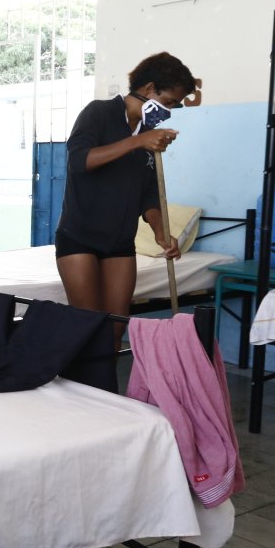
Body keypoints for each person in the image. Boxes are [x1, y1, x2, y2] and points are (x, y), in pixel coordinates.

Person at [55, 52, 193, 346]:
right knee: (87, 328)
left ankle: (102, 390)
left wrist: (160, 232)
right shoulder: (99, 113)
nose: (168, 111)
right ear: (149, 89)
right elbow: (80, 161)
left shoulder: (148, 134)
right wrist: (137, 141)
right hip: (79, 237)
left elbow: (149, 192)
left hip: (119, 242)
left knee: (116, 330)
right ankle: (79, 388)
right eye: (168, 102)